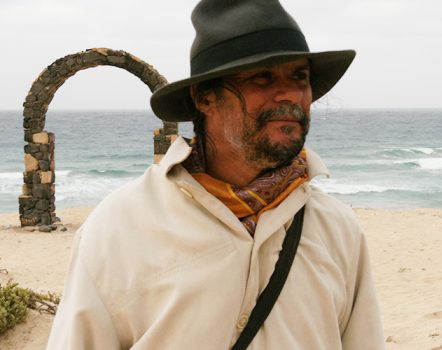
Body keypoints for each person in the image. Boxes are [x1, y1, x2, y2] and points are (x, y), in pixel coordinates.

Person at [47, 0, 385, 349]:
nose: (290, 94)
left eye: (299, 76)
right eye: (263, 76)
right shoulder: (119, 228)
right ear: (205, 96)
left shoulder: (338, 229)